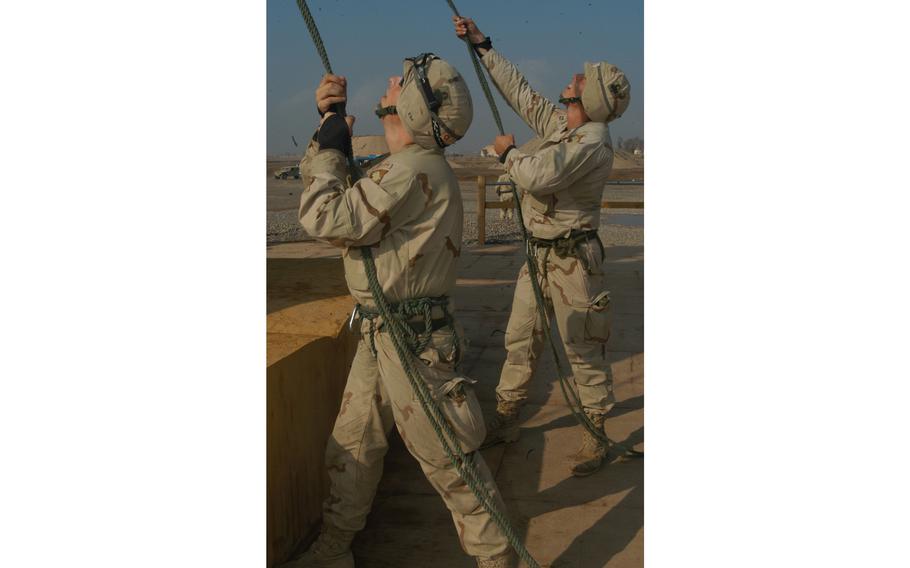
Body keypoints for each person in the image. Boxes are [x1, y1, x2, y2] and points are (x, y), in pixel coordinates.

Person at [285, 53, 517, 568]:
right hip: (387, 334)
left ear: (416, 106)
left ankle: (501, 559)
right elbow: (355, 196)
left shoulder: (411, 171)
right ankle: (333, 549)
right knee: (352, 446)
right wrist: (329, 133)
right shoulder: (405, 168)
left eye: (402, 82)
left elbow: (326, 216)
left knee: (450, 464)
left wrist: (328, 143)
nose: (389, 82)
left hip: (410, 344)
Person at [454, 16, 631, 477]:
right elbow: (521, 93)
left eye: (579, 81)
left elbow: (538, 175)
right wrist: (483, 46)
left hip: (573, 263)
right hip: (539, 256)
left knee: (582, 348)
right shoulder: (561, 127)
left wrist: (507, 153)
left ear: (589, 97)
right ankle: (507, 418)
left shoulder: (591, 144)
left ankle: (595, 431)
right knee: (520, 339)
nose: (570, 81)